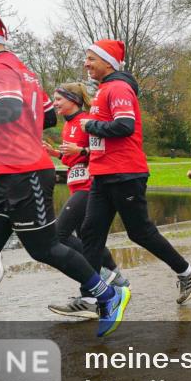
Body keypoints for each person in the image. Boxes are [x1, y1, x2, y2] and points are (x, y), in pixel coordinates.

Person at [0, 10, 128, 345]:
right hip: (4, 174)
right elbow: (47, 115)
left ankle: (107, 295)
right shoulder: (24, 71)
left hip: (24, 172)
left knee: (44, 247)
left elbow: (11, 110)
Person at [74, 38, 191, 305]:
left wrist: (90, 127)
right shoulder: (102, 89)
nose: (86, 63)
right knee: (90, 232)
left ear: (108, 62)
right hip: (103, 172)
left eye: (91, 58)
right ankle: (90, 297)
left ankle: (186, 271)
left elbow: (125, 126)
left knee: (139, 231)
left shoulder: (119, 87)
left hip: (125, 172)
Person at [45, 82, 129, 320]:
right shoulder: (67, 126)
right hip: (76, 186)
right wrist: (57, 154)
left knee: (58, 235)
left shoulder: (86, 121)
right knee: (88, 238)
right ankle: (114, 276)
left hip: (89, 186)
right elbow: (73, 162)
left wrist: (80, 151)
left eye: (59, 99)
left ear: (72, 99)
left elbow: (101, 152)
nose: (55, 104)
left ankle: (102, 278)